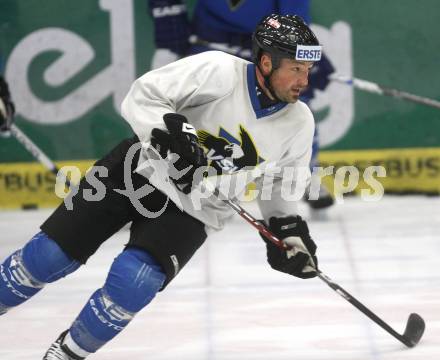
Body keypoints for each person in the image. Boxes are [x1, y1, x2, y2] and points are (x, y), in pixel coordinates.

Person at [0, 14, 321, 359]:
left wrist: (286, 229)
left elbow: (278, 186)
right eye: (295, 69)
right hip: (138, 169)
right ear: (266, 61)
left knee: (133, 282)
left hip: (197, 208)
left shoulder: (299, 122)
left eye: (307, 71)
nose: (303, 80)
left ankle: (65, 354)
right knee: (46, 258)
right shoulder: (217, 70)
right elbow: (143, 95)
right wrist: (167, 131)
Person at [148, 0, 335, 208]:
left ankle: (303, 176)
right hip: (210, 40)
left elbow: (293, 14)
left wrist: (296, 52)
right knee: (190, 109)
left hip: (267, 43)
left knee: (290, 102)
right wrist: (168, 17)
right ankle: (153, 181)